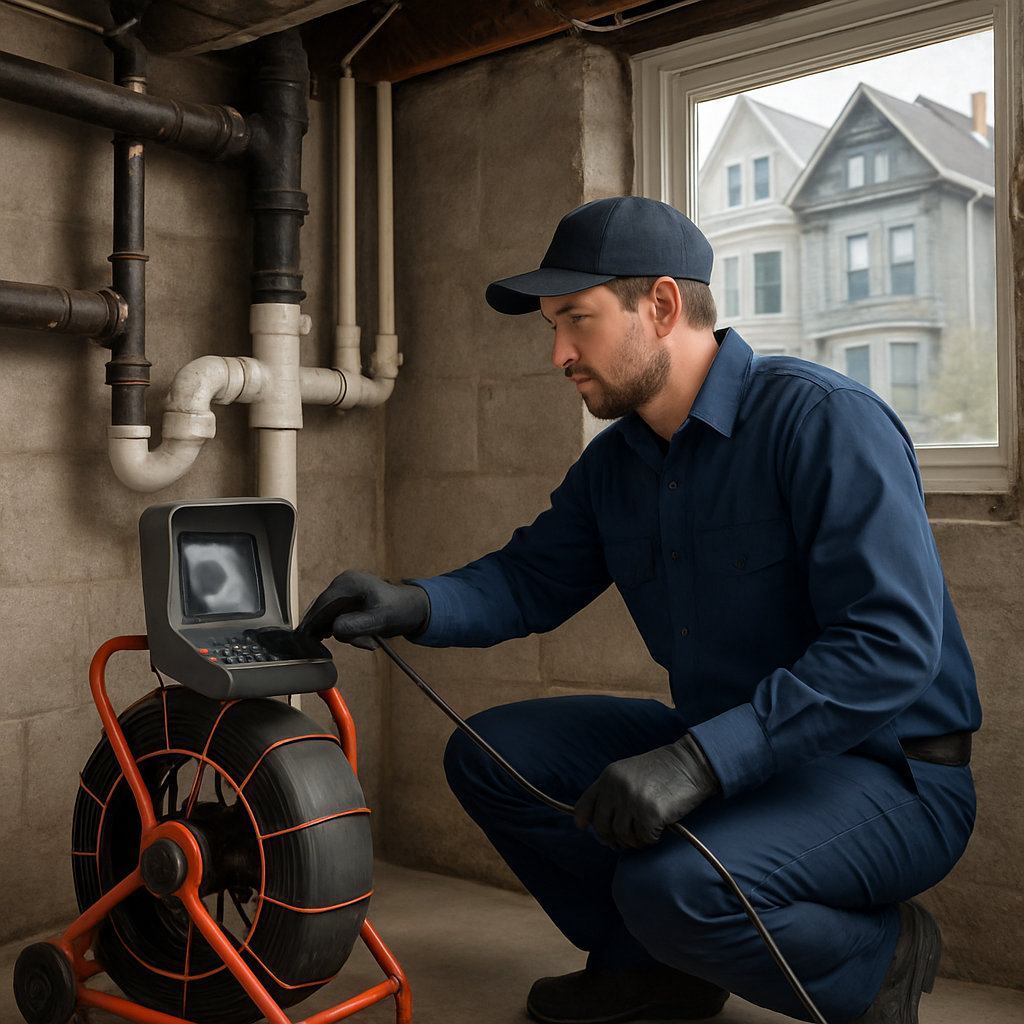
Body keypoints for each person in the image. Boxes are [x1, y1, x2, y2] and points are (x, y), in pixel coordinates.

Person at [300, 196, 981, 1024]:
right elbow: (528, 580)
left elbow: (889, 645)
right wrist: (411, 601)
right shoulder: (616, 465)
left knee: (678, 885)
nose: (557, 353)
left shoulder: (823, 422)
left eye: (576, 321)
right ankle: (656, 968)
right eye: (551, 326)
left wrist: (697, 763)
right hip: (729, 748)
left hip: (886, 773)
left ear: (661, 306)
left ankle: (876, 960)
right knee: (491, 755)